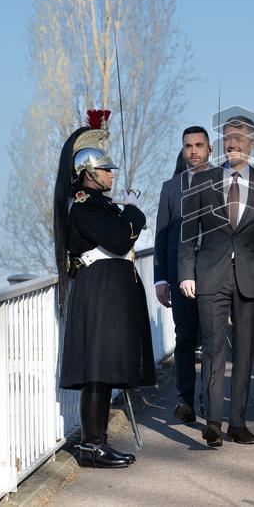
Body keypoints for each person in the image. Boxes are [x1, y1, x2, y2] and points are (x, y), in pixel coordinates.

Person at [54, 109, 155, 468]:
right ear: (88, 173)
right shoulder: (84, 205)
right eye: (106, 169)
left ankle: (95, 442)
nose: (112, 174)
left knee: (106, 368)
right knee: (97, 370)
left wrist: (123, 210)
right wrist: (135, 214)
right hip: (100, 291)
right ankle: (91, 445)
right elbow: (115, 239)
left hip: (110, 290)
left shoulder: (101, 204)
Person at [178, 115, 254, 447]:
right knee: (212, 350)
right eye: (227, 139)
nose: (233, 144)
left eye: (240, 139)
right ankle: (212, 422)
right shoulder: (201, 180)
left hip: (252, 279)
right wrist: (186, 274)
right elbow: (187, 235)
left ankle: (237, 422)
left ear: (253, 144)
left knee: (244, 353)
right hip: (210, 277)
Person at [154, 126, 212, 425]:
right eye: (188, 146)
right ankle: (185, 399)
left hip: (215, 274)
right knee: (185, 338)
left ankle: (211, 400)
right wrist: (161, 279)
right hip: (179, 276)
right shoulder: (170, 188)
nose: (193, 151)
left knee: (214, 340)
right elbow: (162, 236)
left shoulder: (224, 182)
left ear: (209, 150)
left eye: (199, 145)